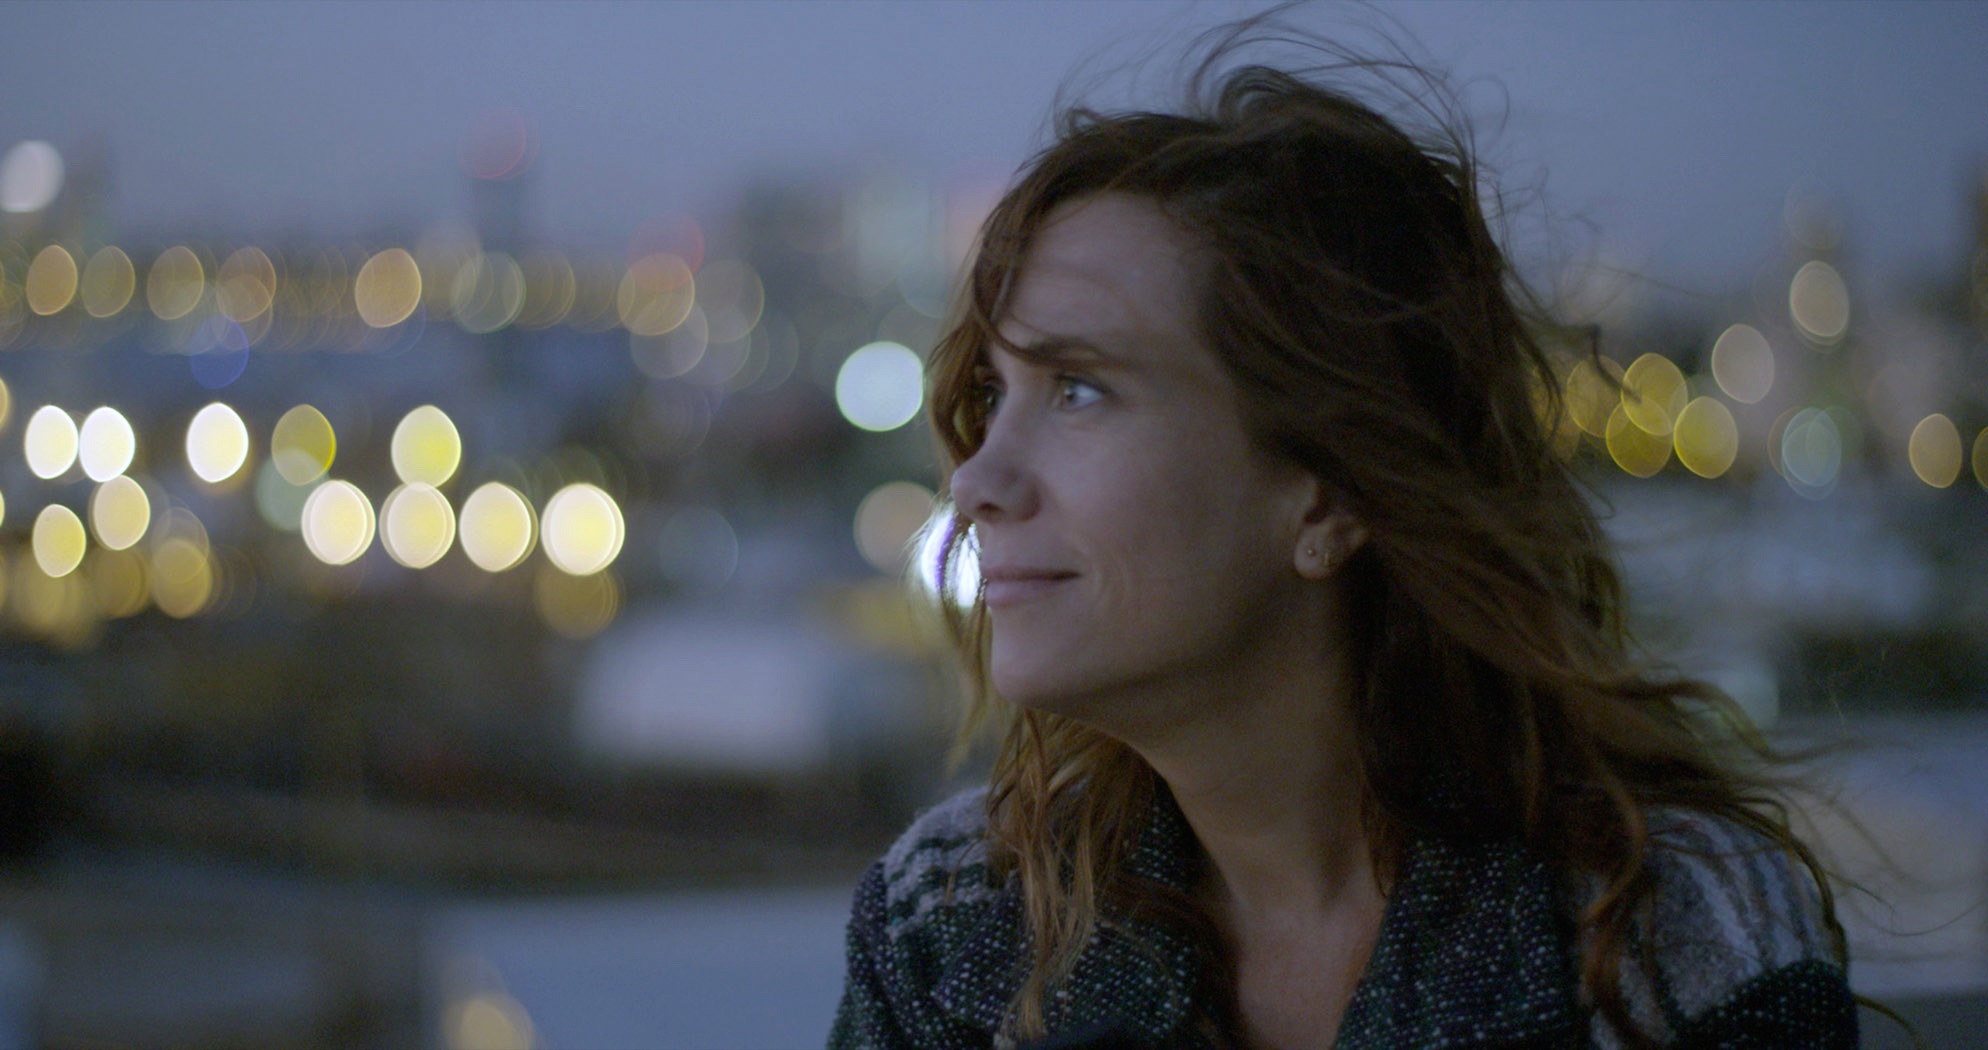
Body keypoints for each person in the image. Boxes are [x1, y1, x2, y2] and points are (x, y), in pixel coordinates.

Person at [829, 25, 1857, 1050]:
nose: (976, 481)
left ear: (1328, 496)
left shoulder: (1664, 932)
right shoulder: (954, 923)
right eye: (991, 394)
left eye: (1078, 390)